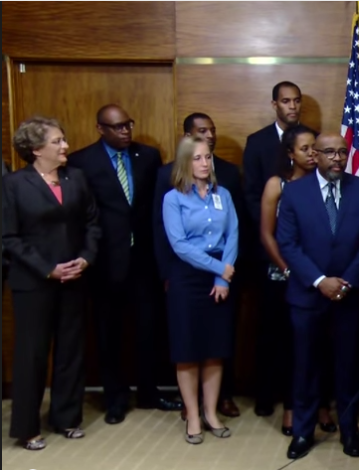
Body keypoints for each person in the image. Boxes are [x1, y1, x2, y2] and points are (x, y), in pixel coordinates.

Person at [67, 104, 182, 424]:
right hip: (105, 264)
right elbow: (81, 217)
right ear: (100, 129)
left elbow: (155, 209)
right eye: (117, 127)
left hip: (144, 261)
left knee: (149, 330)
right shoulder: (82, 161)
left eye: (128, 125)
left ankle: (149, 391)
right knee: (109, 334)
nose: (125, 132)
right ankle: (115, 398)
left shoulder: (148, 156)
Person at [277, 133, 359, 460]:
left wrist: (346, 282)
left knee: (348, 367)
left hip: (349, 298)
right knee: (306, 368)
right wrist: (321, 281)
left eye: (341, 152)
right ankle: (303, 433)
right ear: (315, 156)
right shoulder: (294, 192)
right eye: (329, 152)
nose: (337, 158)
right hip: (308, 297)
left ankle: (350, 431)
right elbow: (288, 244)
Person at [3, 117, 101, 450]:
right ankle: (27, 428)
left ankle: (67, 418)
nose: (65, 146)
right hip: (34, 282)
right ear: (35, 149)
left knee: (71, 351)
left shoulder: (77, 178)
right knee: (32, 355)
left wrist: (85, 258)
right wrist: (48, 269)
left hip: (75, 278)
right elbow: (9, 237)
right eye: (57, 141)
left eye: (64, 139)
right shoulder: (14, 184)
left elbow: (92, 223)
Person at [153, 112, 246, 419]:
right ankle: (192, 416)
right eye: (197, 158)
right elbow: (179, 245)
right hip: (187, 277)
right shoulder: (173, 198)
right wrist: (219, 269)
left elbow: (233, 233)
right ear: (185, 162)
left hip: (220, 276)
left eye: (207, 157)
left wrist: (223, 277)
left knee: (215, 349)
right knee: (188, 350)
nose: (205, 163)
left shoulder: (224, 194)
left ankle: (211, 413)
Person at [258, 124, 337, 436]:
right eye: (304, 148)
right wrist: (290, 270)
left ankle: (322, 406)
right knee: (292, 348)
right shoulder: (277, 185)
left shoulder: (328, 184)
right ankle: (291, 408)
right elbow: (267, 234)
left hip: (323, 278)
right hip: (284, 277)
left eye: (314, 147)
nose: (311, 153)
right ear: (290, 153)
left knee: (324, 346)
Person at [243, 80, 304, 417]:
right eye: (286, 101)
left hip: (306, 256)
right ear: (274, 105)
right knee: (269, 329)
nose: (292, 106)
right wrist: (277, 231)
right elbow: (250, 194)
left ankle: (299, 398)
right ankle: (265, 396)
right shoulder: (257, 142)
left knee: (301, 332)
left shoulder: (312, 139)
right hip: (268, 251)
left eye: (296, 101)